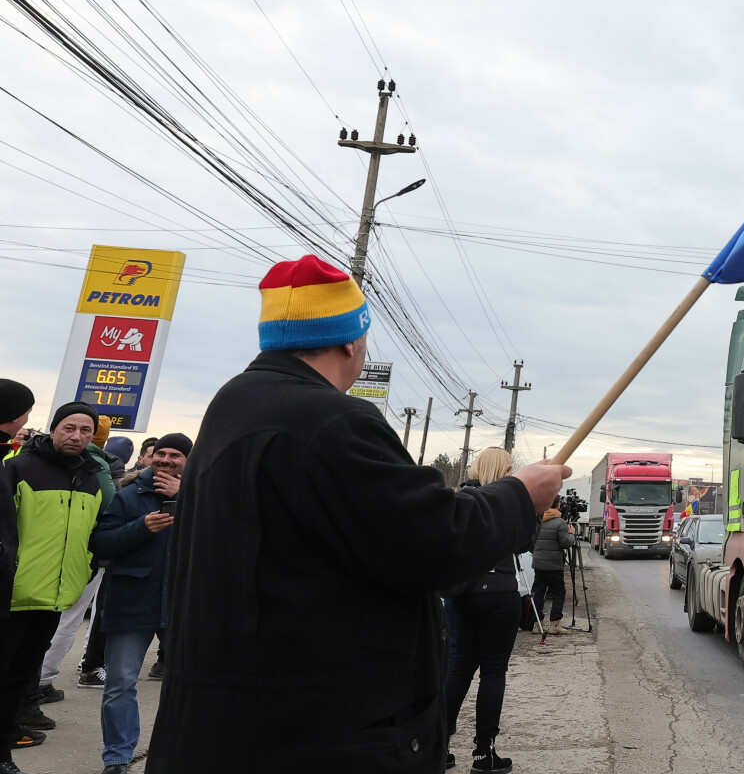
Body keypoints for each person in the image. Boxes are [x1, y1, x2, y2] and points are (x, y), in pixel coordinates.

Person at [147, 255, 566, 774]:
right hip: (313, 731)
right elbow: (434, 543)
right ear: (352, 342)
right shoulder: (331, 421)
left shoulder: (234, 404)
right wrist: (520, 494)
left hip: (232, 719)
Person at [0, 402, 109, 770]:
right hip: (12, 597)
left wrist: (84, 570)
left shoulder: (92, 477)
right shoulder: (17, 468)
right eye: (69, 428)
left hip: (53, 601)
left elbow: (91, 535)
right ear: (53, 429)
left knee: (18, 684)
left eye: (85, 431)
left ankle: (3, 753)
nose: (77, 436)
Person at [89, 432, 189, 774]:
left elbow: (227, 541)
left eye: (176, 455)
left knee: (193, 685)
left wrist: (188, 500)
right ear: (148, 458)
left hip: (183, 604)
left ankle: (182, 753)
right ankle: (117, 758)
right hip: (132, 602)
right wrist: (141, 527)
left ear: (188, 462)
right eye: (161, 453)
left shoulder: (205, 498)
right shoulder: (127, 496)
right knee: (120, 684)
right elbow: (101, 544)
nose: (166, 460)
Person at [444, 448, 532, 772]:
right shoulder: (509, 502)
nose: (512, 470)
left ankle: (437, 745)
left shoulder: (461, 498)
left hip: (464, 593)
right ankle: (484, 754)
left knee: (459, 668)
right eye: (509, 466)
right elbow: (526, 543)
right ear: (501, 468)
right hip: (499, 593)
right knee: (493, 673)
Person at [529, 499, 574, 623]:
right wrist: (572, 535)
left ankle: (537, 623)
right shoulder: (560, 522)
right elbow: (565, 543)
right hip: (554, 565)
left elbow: (531, 542)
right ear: (558, 505)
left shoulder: (537, 519)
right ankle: (555, 623)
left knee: (538, 592)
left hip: (538, 563)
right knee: (559, 593)